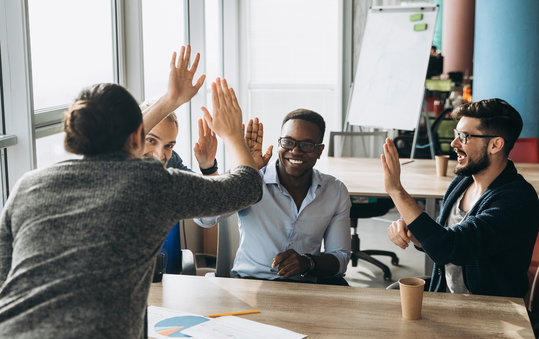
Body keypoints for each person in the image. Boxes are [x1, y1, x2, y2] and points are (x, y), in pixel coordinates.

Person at [0, 45, 263, 339]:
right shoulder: (149, 182)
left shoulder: (28, 185)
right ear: (138, 138)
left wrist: (169, 100)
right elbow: (247, 187)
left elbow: (5, 277)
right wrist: (233, 135)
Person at [382, 98, 539, 298]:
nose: (454, 143)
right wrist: (417, 235)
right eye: (457, 135)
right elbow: (442, 238)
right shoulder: (462, 182)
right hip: (447, 295)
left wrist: (396, 190)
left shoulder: (517, 200)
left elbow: (450, 247)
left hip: (488, 311)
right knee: (391, 295)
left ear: (495, 145)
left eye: (464, 136)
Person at [195, 109, 351, 285]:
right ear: (279, 143)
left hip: (305, 287)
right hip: (250, 283)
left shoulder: (334, 191)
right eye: (288, 142)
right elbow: (204, 220)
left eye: (307, 145)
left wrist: (308, 263)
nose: (295, 150)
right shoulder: (254, 179)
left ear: (319, 150)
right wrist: (243, 170)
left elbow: (341, 258)